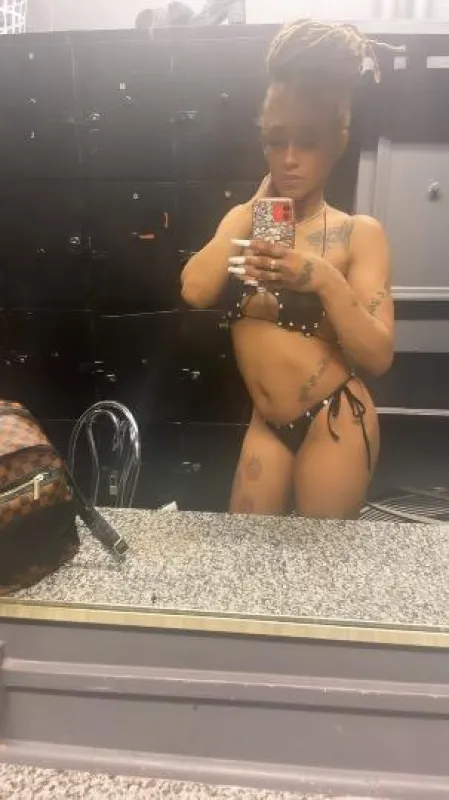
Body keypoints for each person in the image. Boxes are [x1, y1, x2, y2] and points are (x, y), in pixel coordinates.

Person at [181, 20, 396, 519]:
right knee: (250, 551)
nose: (290, 159)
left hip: (334, 417)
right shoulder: (246, 219)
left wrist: (322, 278)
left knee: (319, 560)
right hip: (267, 422)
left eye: (309, 142)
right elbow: (195, 289)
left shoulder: (358, 233)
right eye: (276, 141)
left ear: (338, 143)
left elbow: (378, 354)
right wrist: (252, 207)